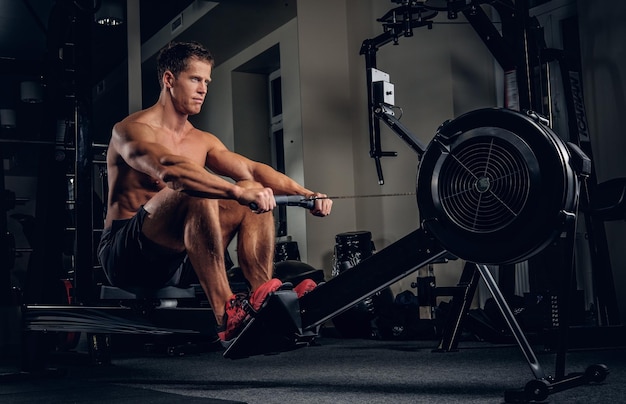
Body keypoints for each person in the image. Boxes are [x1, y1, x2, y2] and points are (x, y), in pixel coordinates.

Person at [97, 41, 332, 345]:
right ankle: (226, 315)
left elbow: (254, 170)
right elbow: (170, 169)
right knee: (196, 188)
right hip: (128, 258)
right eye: (195, 79)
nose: (203, 89)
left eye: (207, 81)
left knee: (253, 188)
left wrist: (306, 194)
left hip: (179, 258)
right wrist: (232, 191)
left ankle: (265, 299)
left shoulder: (202, 140)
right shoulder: (131, 130)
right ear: (169, 80)